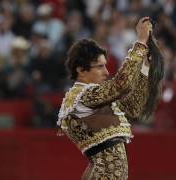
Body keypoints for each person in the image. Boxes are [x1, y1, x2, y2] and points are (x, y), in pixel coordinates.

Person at [57, 17, 159, 179]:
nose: (106, 72)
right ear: (81, 70)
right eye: (99, 66)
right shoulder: (83, 96)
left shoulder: (94, 99)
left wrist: (145, 68)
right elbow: (121, 85)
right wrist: (140, 42)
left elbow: (133, 107)